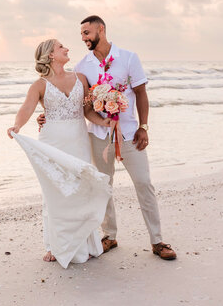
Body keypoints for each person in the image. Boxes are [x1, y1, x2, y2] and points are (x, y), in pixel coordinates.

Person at [37, 16, 177, 261]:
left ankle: (157, 241)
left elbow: (141, 94)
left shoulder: (129, 58)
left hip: (130, 135)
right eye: (81, 34)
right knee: (104, 186)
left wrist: (144, 126)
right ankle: (109, 235)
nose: (83, 38)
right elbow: (76, 103)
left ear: (101, 29)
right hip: (99, 136)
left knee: (144, 183)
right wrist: (46, 116)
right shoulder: (82, 67)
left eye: (87, 32)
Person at [7, 38, 111, 268]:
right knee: (54, 190)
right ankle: (55, 245)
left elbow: (87, 111)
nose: (66, 48)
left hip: (78, 139)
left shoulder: (80, 79)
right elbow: (27, 108)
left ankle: (86, 242)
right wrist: (17, 127)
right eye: (60, 47)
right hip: (52, 141)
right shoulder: (39, 85)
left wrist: (105, 122)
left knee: (80, 187)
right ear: (51, 55)